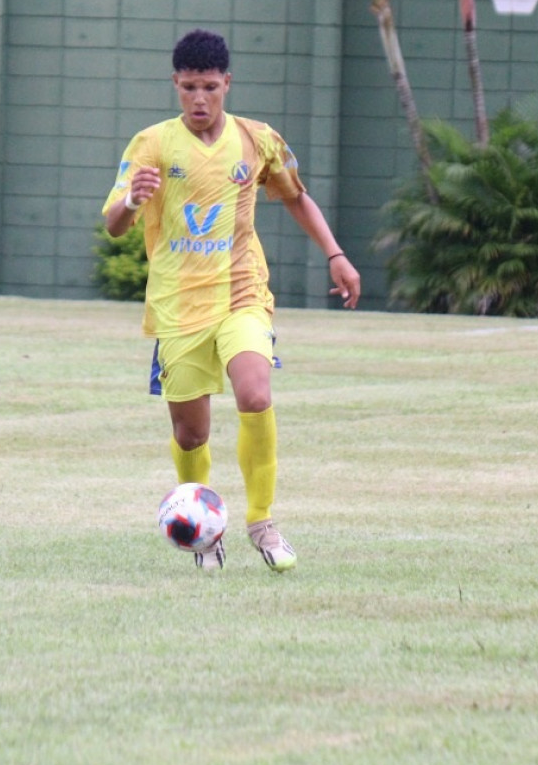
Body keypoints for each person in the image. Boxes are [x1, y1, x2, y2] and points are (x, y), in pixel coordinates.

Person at [102, 28, 360, 573]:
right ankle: (204, 530)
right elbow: (114, 226)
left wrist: (335, 254)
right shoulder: (150, 144)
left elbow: (297, 197)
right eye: (189, 88)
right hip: (177, 306)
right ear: (175, 84)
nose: (200, 100)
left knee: (255, 395)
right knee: (190, 433)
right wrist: (131, 200)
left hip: (242, 292)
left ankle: (262, 523)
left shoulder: (257, 139)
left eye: (210, 87)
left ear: (228, 83)